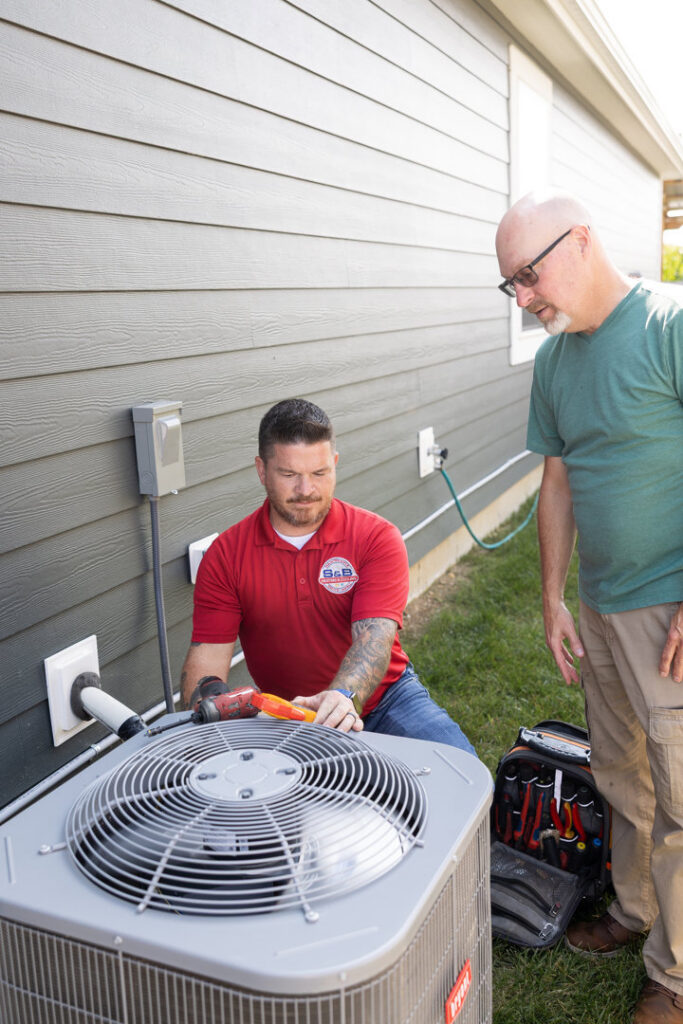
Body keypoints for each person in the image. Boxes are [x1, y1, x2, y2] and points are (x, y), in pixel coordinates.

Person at [496, 190, 683, 1024]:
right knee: (618, 773)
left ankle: (675, 976)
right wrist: (551, 598)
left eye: (528, 277)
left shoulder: (666, 323)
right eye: (510, 286)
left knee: (680, 793)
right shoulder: (553, 363)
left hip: (668, 606)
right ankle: (640, 910)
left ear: (580, 241)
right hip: (601, 605)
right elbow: (558, 482)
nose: (523, 299)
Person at [181, 397, 476, 756]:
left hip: (385, 701)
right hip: (288, 713)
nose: (306, 490)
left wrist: (342, 695)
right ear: (262, 471)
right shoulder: (226, 556)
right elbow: (206, 666)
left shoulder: (375, 537)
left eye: (319, 473)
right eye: (289, 474)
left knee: (458, 767)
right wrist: (208, 699)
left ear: (335, 464)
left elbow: (374, 639)